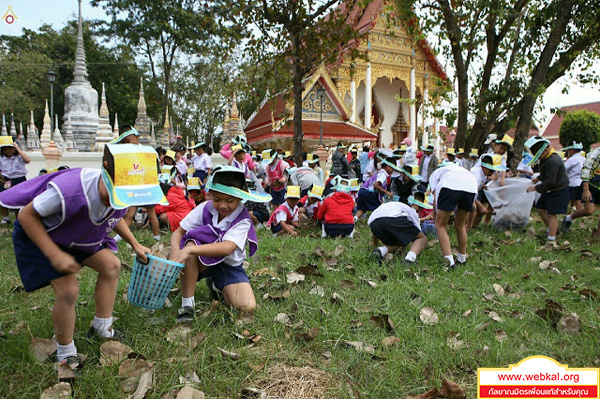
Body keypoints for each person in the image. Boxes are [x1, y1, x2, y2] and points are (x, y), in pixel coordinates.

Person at [0, 143, 163, 379]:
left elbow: (114, 215)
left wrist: (135, 244)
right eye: (119, 196)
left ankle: (102, 326)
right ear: (105, 169)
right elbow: (27, 215)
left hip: (79, 234)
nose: (122, 203)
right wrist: (54, 254)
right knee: (69, 289)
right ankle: (65, 350)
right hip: (44, 236)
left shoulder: (117, 194)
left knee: (112, 265)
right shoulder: (70, 191)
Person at [170, 165, 271, 322]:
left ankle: (218, 285)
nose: (223, 205)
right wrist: (177, 251)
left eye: (229, 201)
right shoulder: (204, 208)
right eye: (217, 199)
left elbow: (227, 248)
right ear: (210, 195)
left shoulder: (243, 219)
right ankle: (187, 305)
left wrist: (190, 251)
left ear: (240, 198)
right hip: (201, 260)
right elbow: (178, 232)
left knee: (247, 306)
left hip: (228, 265)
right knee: (189, 245)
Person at [113, 126, 162, 242]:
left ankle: (157, 236)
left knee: (151, 213)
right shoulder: (126, 153)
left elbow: (155, 169)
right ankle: (120, 236)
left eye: (128, 140)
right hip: (135, 186)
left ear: (136, 137)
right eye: (125, 142)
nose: (127, 143)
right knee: (130, 213)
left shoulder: (148, 151)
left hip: (148, 185)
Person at [429, 161, 478, 269]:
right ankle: (462, 258)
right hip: (471, 188)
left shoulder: (437, 173)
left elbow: (436, 195)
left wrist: (435, 216)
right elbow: (473, 206)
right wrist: (469, 224)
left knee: (440, 225)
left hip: (449, 186)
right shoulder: (464, 171)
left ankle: (449, 261)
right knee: (460, 225)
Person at [524, 136, 569, 247]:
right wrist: (538, 178)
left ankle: (551, 239)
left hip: (557, 190)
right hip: (548, 190)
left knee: (551, 214)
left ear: (546, 150)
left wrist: (535, 188)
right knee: (540, 208)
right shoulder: (545, 159)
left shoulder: (553, 161)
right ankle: (552, 229)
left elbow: (550, 181)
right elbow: (546, 173)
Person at [369, 200, 428, 266]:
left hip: (373, 223)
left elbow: (374, 233)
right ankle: (409, 259)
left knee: (396, 244)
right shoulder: (412, 212)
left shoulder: (392, 205)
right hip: (394, 218)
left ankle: (380, 250)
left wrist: (375, 244)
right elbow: (416, 235)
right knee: (422, 238)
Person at [561, 146, 600, 239]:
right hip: (590, 185)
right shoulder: (596, 153)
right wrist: (586, 190)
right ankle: (568, 218)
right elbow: (586, 170)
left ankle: (597, 238)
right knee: (589, 210)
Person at [468, 154, 507, 229]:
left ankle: (472, 228)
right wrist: (480, 206)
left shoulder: (484, 173)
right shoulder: (477, 175)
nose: (492, 172)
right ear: (483, 167)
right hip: (467, 194)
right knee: (472, 209)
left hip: (472, 193)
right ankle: (467, 228)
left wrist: (483, 186)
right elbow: (471, 193)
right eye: (491, 169)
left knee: (480, 211)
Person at [0, 136, 31, 224]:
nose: (8, 151)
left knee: (19, 199)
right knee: (2, 198)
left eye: (10, 148)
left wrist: (18, 148)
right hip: (6, 179)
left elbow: (28, 160)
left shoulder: (19, 157)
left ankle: (18, 219)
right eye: (5, 149)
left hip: (19, 179)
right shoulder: (2, 158)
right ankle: (5, 218)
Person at [561, 142, 585, 213]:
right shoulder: (584, 159)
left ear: (572, 150)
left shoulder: (572, 159)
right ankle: (579, 213)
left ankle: (565, 212)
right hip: (581, 182)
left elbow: (563, 169)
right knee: (578, 200)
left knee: (567, 199)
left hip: (572, 183)